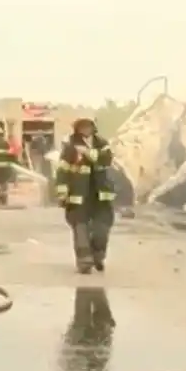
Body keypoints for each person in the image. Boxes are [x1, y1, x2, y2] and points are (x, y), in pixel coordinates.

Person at [55, 117, 116, 273]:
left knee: (102, 229)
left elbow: (106, 159)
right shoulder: (70, 147)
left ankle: (98, 256)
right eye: (82, 127)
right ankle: (84, 262)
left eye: (88, 126)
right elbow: (62, 171)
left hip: (101, 195)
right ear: (77, 130)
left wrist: (88, 153)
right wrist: (62, 194)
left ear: (93, 128)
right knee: (80, 229)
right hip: (79, 195)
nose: (85, 130)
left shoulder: (102, 143)